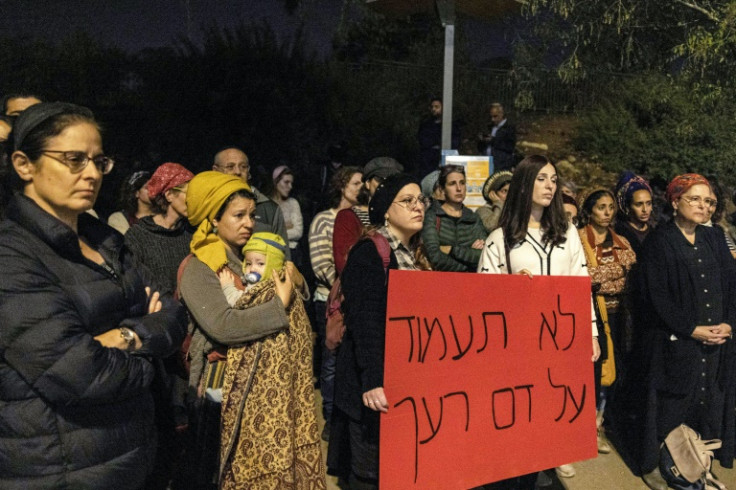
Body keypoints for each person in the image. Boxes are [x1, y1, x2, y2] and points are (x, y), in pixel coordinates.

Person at [0, 102, 187, 489]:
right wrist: (148, 344)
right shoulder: (11, 254)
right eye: (73, 159)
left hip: (133, 457)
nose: (90, 173)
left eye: (98, 161)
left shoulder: (105, 239)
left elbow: (171, 310)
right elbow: (83, 374)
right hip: (64, 469)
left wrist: (124, 337)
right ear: (24, 165)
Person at [178, 170, 308, 488]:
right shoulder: (199, 267)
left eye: (251, 215)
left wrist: (298, 283)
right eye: (239, 215)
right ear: (212, 218)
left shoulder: (246, 259)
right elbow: (223, 325)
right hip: (217, 387)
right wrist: (279, 307)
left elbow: (288, 287)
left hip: (255, 387)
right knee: (212, 472)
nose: (249, 223)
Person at [477, 155, 600, 487]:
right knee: (519, 421)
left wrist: (591, 332)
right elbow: (483, 297)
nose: (550, 186)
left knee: (553, 418)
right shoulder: (500, 239)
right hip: (516, 347)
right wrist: (512, 290)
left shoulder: (568, 233)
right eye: (542, 178)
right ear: (524, 183)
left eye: (554, 179)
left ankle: (547, 468)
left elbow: (580, 282)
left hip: (561, 341)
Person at [328, 173, 432, 488]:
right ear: (386, 210)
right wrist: (373, 380)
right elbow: (365, 321)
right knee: (370, 473)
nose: (418, 207)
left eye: (421, 201)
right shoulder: (369, 253)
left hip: (403, 381)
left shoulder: (417, 255)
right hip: (372, 385)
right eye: (408, 201)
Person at [637, 174, 735, 490]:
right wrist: (692, 329)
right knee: (668, 406)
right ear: (676, 201)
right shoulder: (659, 241)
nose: (703, 206)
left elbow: (733, 285)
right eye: (695, 199)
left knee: (705, 405)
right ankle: (654, 464)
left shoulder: (715, 238)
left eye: (709, 202)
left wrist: (729, 324)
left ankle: (695, 464)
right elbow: (656, 295)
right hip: (674, 341)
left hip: (715, 343)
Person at [215, 232, 325, 489]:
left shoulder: (272, 289)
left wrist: (227, 287)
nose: (253, 268)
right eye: (249, 263)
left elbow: (238, 303)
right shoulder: (274, 288)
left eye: (260, 263)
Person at [577, 188, 637, 455]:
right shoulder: (578, 240)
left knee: (614, 372)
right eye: (601, 207)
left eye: (611, 207)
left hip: (618, 314)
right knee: (595, 371)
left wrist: (602, 278)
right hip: (592, 314)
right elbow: (584, 277)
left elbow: (632, 269)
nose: (607, 213)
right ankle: (586, 427)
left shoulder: (622, 241)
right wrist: (616, 272)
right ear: (589, 211)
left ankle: (600, 424)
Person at [309, 165, 364, 440]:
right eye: (356, 183)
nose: (361, 188)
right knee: (331, 361)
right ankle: (330, 417)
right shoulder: (324, 220)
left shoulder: (362, 219)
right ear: (342, 186)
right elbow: (320, 262)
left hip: (354, 298)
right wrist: (344, 287)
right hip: (329, 299)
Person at [125, 162, 194, 292]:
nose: (194, 199)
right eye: (189, 193)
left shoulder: (191, 233)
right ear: (169, 195)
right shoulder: (138, 236)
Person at [212, 146, 290, 259]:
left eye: (243, 167)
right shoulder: (206, 206)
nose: (238, 172)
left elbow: (284, 258)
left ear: (248, 171)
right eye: (230, 167)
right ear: (215, 171)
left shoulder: (268, 209)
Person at [333, 156, 403, 275]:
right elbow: (344, 265)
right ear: (367, 183)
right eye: (380, 179)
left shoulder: (405, 215)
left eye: (392, 180)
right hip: (368, 288)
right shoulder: (348, 217)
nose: (385, 184)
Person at [422, 164, 487, 271]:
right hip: (440, 282)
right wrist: (467, 266)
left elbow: (483, 255)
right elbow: (435, 257)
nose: (459, 188)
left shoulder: (473, 218)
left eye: (462, 183)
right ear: (442, 189)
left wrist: (451, 250)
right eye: (452, 184)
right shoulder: (432, 216)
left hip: (469, 283)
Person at [266, 165, 304, 269]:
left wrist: (276, 228)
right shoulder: (266, 204)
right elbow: (264, 233)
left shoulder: (293, 203)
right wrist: (285, 225)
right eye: (286, 182)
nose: (290, 186)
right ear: (276, 182)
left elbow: (298, 232)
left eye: (291, 183)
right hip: (269, 253)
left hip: (292, 253)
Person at [417, 97, 460, 179]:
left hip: (446, 159)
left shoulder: (452, 125)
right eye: (432, 107)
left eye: (437, 107)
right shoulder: (426, 125)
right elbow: (423, 141)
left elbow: (455, 142)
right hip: (428, 161)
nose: (433, 109)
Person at [614, 171, 653, 256]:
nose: (645, 209)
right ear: (627, 206)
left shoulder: (657, 233)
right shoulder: (618, 234)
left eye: (648, 203)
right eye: (639, 204)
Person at [108, 170, 153, 234]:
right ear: (136, 193)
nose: (153, 191)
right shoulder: (120, 218)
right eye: (147, 188)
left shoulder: (163, 218)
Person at [477, 102, 516, 170]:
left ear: (502, 114)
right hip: (486, 162)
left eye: (495, 116)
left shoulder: (509, 128)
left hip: (501, 165)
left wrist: (493, 140)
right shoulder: (490, 127)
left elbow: (510, 147)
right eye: (491, 116)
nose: (493, 119)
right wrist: (482, 140)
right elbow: (481, 147)